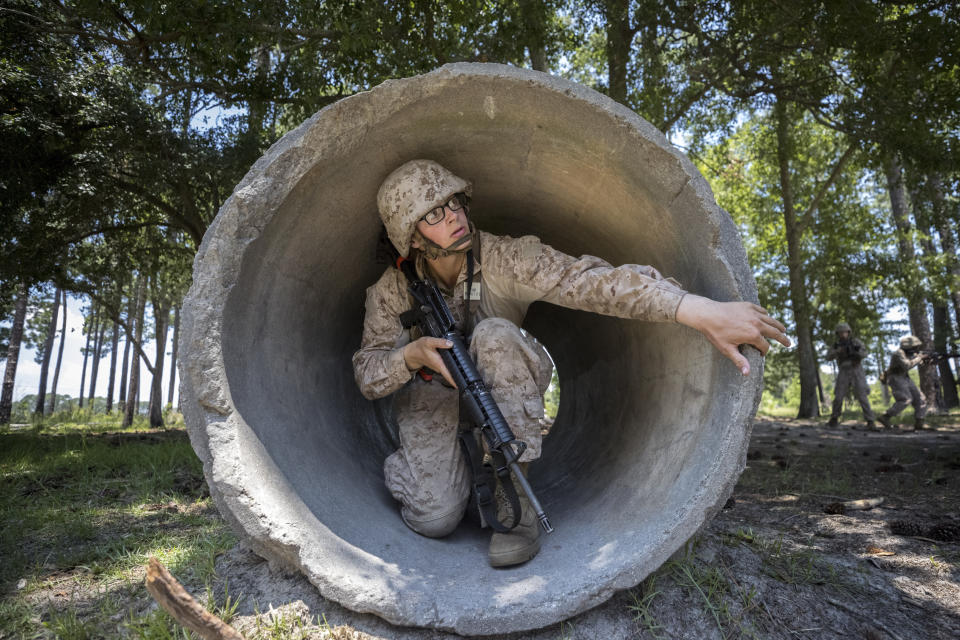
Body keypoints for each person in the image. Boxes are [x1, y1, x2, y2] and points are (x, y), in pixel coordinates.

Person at [352, 159, 790, 567]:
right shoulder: (391, 291)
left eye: (454, 203)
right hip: (434, 399)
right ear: (411, 237)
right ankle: (447, 472)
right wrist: (412, 356)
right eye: (434, 214)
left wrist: (696, 310)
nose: (453, 216)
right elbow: (368, 375)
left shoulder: (505, 257)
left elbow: (589, 282)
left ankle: (514, 497)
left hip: (502, 382)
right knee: (435, 520)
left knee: (495, 334)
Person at [825, 323, 876, 428]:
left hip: (856, 369)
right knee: (838, 396)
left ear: (848, 332)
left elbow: (865, 353)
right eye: (840, 332)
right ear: (837, 334)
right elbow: (828, 356)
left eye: (844, 332)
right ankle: (834, 418)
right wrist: (837, 351)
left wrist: (855, 352)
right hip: (843, 370)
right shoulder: (836, 345)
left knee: (862, 396)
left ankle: (870, 420)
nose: (843, 334)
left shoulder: (856, 342)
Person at [878, 335, 927, 430]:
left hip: (904, 377)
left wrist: (927, 359)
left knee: (920, 399)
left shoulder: (909, 353)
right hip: (895, 377)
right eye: (914, 347)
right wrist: (920, 358)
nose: (916, 348)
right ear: (908, 346)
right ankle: (885, 416)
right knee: (906, 399)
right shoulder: (898, 354)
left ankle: (919, 424)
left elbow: (917, 361)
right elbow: (907, 365)